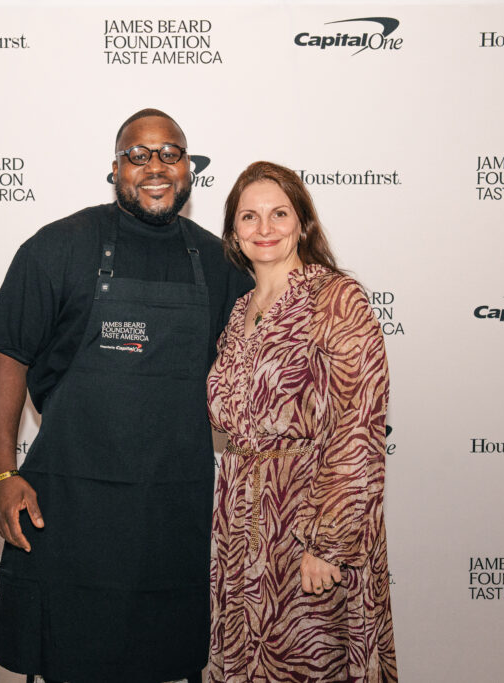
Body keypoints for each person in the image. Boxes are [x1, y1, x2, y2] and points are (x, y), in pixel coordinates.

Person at [0, 109, 252, 683]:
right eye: (138, 155)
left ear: (189, 167)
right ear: (116, 168)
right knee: (67, 659)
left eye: (170, 153)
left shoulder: (220, 263)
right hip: (68, 506)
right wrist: (3, 473)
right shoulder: (59, 246)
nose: (155, 166)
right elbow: (9, 354)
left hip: (173, 511)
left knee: (166, 661)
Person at [206, 162, 397, 682]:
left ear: (303, 223)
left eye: (279, 213)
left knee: (309, 664)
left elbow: (358, 428)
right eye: (249, 216)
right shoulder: (240, 310)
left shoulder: (336, 298)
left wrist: (329, 543)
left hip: (307, 520)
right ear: (233, 232)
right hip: (242, 527)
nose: (264, 228)